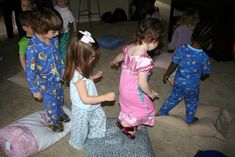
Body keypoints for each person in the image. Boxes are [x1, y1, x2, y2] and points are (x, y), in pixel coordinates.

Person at [110, 18, 163, 139]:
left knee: (128, 106)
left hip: (123, 88)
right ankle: (126, 124)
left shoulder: (129, 47)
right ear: (153, 41)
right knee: (146, 108)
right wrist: (151, 93)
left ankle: (125, 120)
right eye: (158, 42)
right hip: (134, 91)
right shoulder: (145, 60)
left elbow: (121, 56)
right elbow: (143, 84)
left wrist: (114, 61)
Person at [64, 30, 115, 149]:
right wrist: (105, 97)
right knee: (80, 128)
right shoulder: (78, 77)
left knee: (99, 117)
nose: (94, 59)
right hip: (82, 108)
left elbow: (85, 81)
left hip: (92, 104)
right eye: (91, 57)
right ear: (80, 58)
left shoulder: (81, 68)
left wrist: (92, 77)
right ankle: (77, 143)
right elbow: (85, 99)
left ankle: (95, 135)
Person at [157, 21, 215, 124]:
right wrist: (202, 74)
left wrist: (167, 74)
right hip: (192, 86)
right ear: (208, 43)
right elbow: (205, 73)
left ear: (193, 35)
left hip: (178, 82)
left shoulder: (182, 48)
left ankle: (162, 112)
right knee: (192, 102)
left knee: (173, 98)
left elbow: (174, 63)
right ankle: (189, 119)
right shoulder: (204, 57)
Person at [25, 8, 70, 132]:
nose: (57, 34)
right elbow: (30, 71)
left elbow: (58, 56)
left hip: (57, 79)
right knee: (51, 104)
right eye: (54, 31)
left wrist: (63, 71)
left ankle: (60, 113)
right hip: (44, 83)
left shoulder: (54, 39)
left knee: (60, 98)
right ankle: (53, 122)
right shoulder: (32, 48)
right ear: (41, 29)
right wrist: (35, 90)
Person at [167, 8, 199, 85]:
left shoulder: (179, 29)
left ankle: (175, 80)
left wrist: (169, 45)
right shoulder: (196, 30)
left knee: (173, 73)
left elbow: (171, 46)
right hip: (192, 58)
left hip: (179, 58)